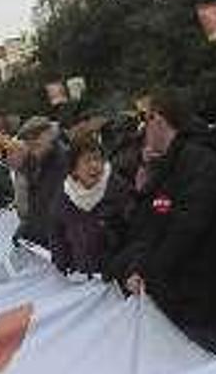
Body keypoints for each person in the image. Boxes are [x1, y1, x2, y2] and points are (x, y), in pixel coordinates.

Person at [117, 89, 216, 355]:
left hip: (196, 298)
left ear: (159, 119)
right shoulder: (169, 162)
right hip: (173, 294)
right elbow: (149, 224)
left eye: (146, 120)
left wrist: (147, 273)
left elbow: (186, 228)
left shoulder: (198, 159)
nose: (143, 129)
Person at [50, 133, 133, 277]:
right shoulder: (65, 195)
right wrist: (64, 265)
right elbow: (57, 233)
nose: (95, 165)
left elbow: (133, 234)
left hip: (116, 277)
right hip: (82, 278)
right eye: (87, 161)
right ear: (74, 169)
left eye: (98, 159)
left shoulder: (118, 189)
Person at [13, 116, 70, 249]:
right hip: (44, 246)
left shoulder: (66, 163)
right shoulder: (35, 165)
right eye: (27, 139)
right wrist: (25, 229)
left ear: (50, 134)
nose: (31, 142)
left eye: (36, 136)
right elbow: (37, 209)